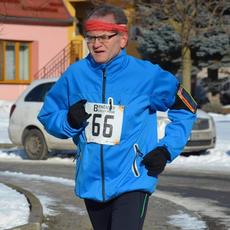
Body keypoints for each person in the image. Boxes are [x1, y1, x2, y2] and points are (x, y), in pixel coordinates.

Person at [38, 4, 197, 230]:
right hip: (91, 181)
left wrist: (166, 149)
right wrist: (69, 121)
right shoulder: (75, 75)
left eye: (104, 37)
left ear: (122, 38)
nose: (96, 44)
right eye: (91, 37)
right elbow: (48, 115)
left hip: (133, 178)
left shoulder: (147, 75)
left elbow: (186, 108)